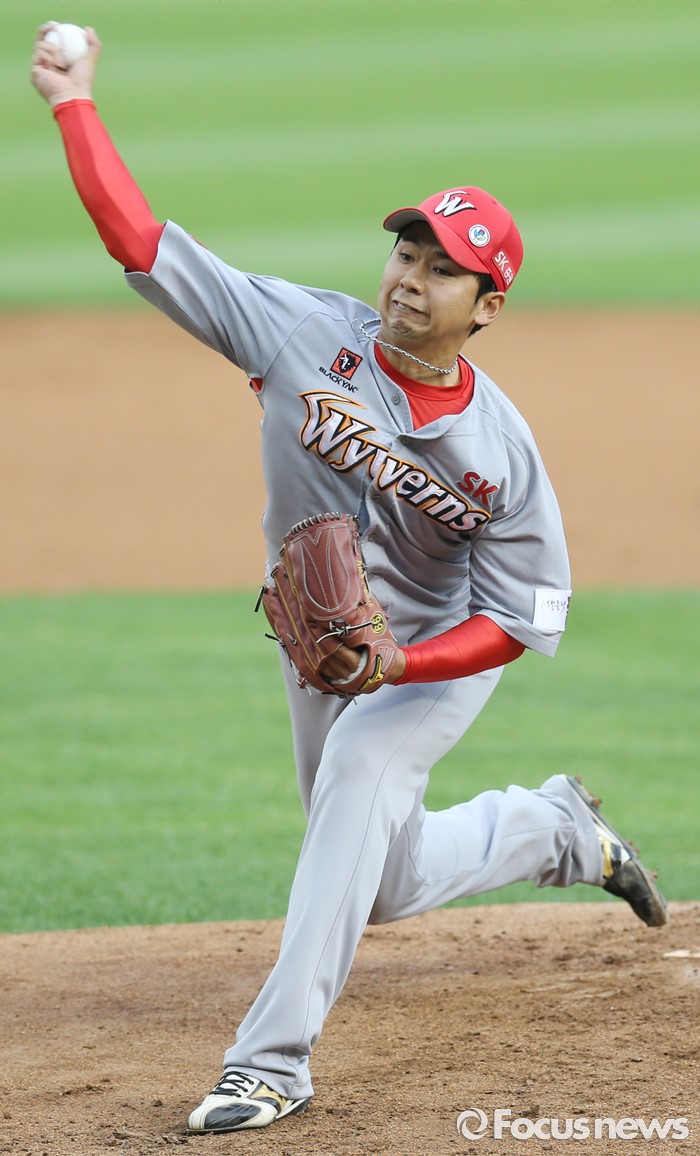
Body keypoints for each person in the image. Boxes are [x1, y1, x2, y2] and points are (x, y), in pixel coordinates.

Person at [31, 26, 668, 1137]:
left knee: (365, 772)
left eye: (443, 269)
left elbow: (517, 621)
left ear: (487, 305)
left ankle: (269, 1063)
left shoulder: (502, 454)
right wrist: (72, 101)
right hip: (320, 640)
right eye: (407, 255)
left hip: (434, 653)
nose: (412, 279)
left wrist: (403, 664)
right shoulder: (298, 334)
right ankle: (554, 829)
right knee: (379, 880)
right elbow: (138, 239)